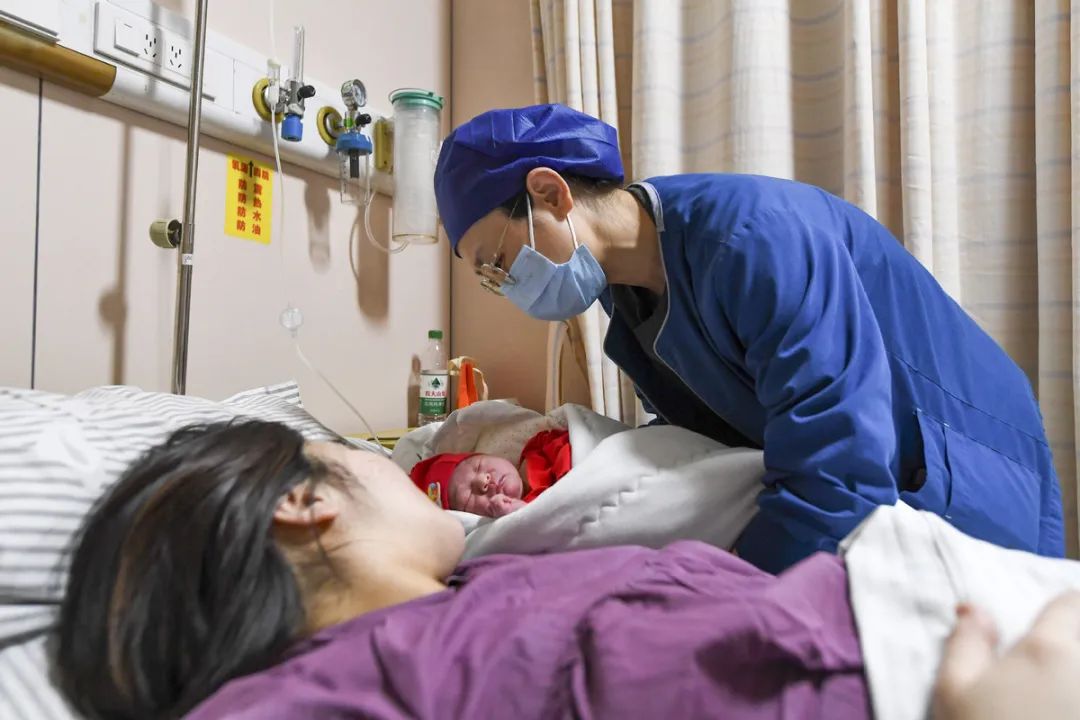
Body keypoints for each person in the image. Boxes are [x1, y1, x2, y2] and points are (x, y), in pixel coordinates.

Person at [52, 421, 1080, 720]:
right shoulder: (313, 690)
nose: (396, 468)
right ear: (303, 503)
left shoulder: (472, 592)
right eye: (361, 453)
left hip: (944, 606)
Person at [433, 103, 1065, 573]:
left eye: (498, 261)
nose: (506, 286)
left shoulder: (754, 238)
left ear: (550, 193)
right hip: (871, 477)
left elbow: (840, 458)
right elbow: (709, 449)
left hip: (967, 452)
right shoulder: (630, 303)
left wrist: (729, 580)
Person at [410, 428, 571, 517]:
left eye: (478, 466)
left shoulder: (538, 448)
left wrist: (567, 476)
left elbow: (570, 443)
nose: (482, 481)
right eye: (468, 497)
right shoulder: (510, 524)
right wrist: (519, 514)